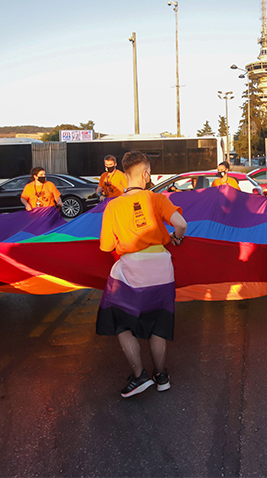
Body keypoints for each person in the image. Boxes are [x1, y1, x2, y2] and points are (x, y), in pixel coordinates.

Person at [96, 151, 188, 398]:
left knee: (119, 320)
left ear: (124, 175)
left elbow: (105, 246)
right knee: (158, 322)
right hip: (161, 266)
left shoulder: (113, 206)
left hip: (132, 269)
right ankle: (162, 376)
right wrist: (175, 239)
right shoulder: (157, 199)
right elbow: (181, 224)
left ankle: (139, 377)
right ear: (146, 174)